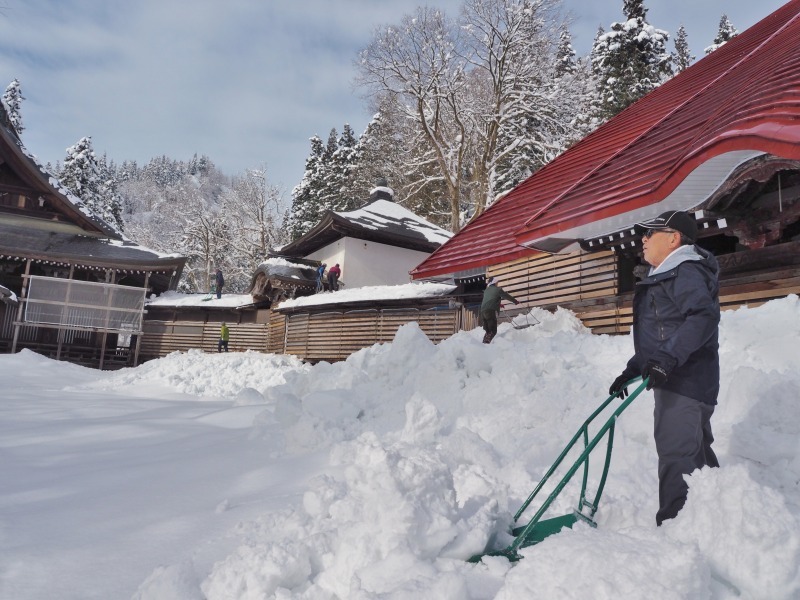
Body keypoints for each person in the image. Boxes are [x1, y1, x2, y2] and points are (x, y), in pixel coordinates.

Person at [608, 210, 720, 526]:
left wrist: (665, 361)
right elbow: (664, 334)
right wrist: (633, 370)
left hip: (683, 384)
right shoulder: (671, 273)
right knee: (695, 456)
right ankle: (718, 520)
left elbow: (702, 318)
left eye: (651, 234)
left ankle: (674, 529)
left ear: (674, 239)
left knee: (678, 457)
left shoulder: (684, 271)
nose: (643, 239)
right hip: (686, 380)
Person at [480, 276, 519, 344]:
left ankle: (483, 345)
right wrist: (515, 301)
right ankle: (487, 344)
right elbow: (506, 296)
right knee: (493, 330)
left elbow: (489, 300)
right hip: (490, 311)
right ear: (495, 283)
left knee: (488, 330)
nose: (498, 284)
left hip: (483, 311)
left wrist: (498, 304)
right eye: (497, 282)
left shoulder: (486, 290)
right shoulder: (498, 289)